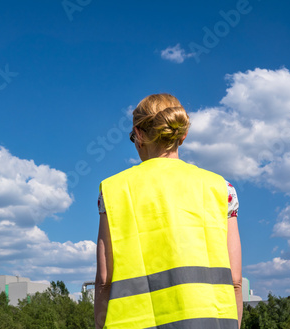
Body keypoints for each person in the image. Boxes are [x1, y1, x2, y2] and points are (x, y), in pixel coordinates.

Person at [95, 94, 243, 329]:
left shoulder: (114, 190)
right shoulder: (221, 188)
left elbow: (105, 281)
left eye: (133, 137)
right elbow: (235, 281)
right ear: (182, 135)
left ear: (140, 134)